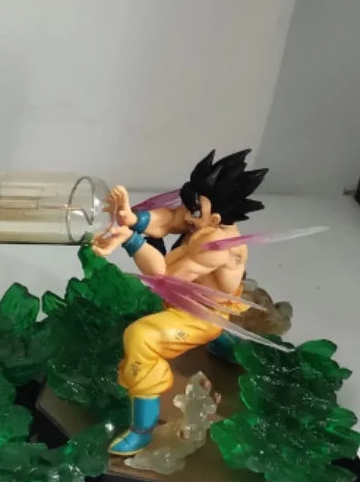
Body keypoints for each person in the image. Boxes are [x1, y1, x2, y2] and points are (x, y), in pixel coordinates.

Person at [92, 149, 267, 455]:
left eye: (195, 209)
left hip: (200, 315)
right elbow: (170, 219)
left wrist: (131, 240)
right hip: (191, 302)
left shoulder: (217, 245)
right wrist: (132, 218)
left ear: (215, 218)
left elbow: (165, 277)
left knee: (140, 337)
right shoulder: (202, 219)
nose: (187, 215)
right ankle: (227, 347)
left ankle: (142, 431)